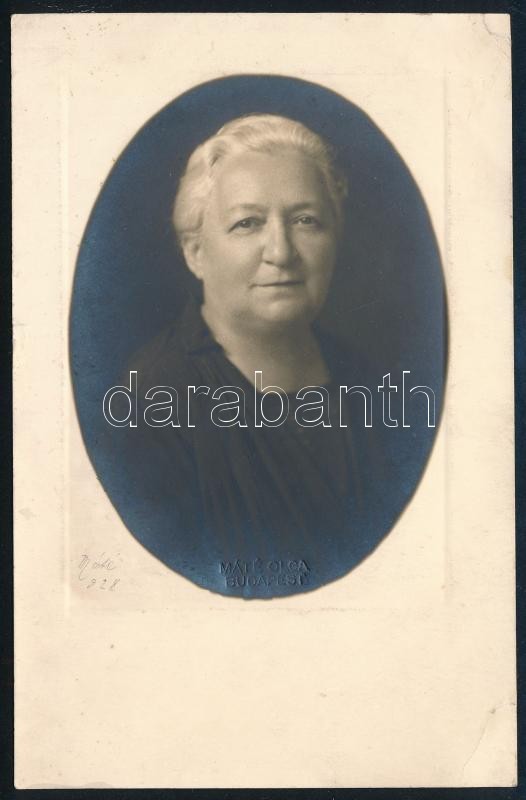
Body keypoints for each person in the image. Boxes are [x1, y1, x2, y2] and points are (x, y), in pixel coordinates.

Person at [118, 114, 392, 596]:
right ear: (196, 252)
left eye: (305, 220)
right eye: (247, 223)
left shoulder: (369, 381)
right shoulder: (151, 400)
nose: (281, 251)